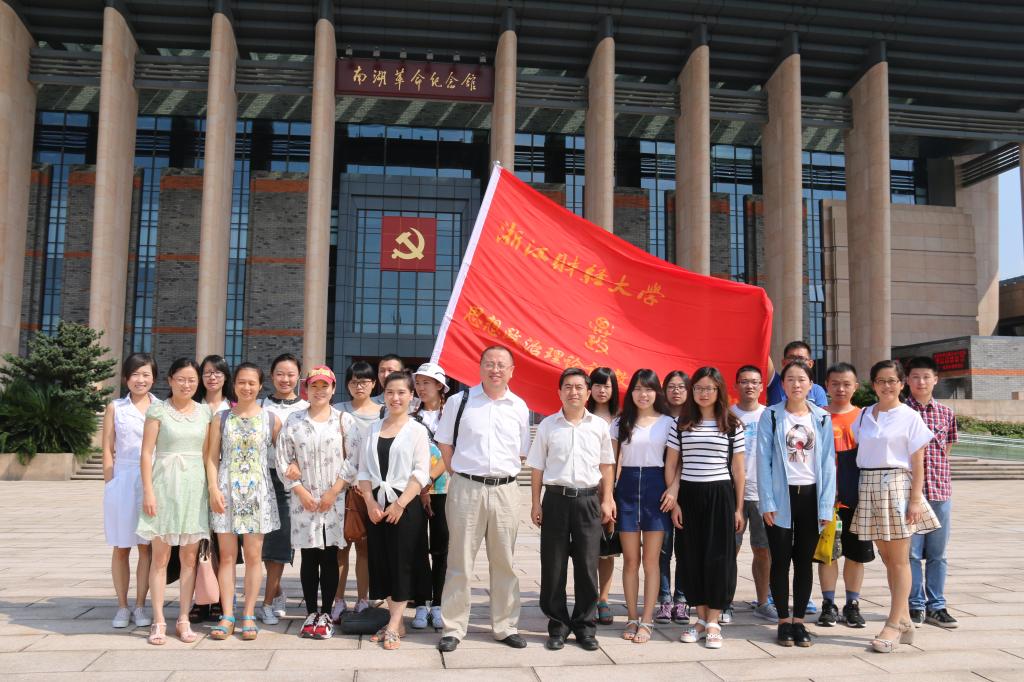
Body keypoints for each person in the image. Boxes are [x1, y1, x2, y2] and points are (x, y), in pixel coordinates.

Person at [435, 345, 531, 653]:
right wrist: (459, 474)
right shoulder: (459, 402)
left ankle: (505, 626)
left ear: (512, 371)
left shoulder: (519, 406)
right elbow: (445, 444)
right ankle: (453, 627)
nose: (495, 369)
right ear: (479, 367)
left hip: (506, 490)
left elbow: (521, 452)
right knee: (460, 560)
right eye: (489, 363)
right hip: (466, 488)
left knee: (504, 562)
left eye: (502, 365)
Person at [850, 359, 941, 653]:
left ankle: (893, 623)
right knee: (888, 558)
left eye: (892, 380)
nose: (887, 386)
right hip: (868, 485)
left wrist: (915, 499)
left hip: (897, 485)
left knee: (900, 560)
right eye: (881, 380)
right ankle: (904, 620)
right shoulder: (863, 415)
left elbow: (918, 462)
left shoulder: (910, 417)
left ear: (902, 384)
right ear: (873, 384)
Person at [529, 368, 616, 651]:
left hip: (588, 501)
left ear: (588, 392)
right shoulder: (548, 426)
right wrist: (535, 502)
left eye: (579, 387)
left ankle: (584, 626)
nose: (573, 392)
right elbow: (537, 467)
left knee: (587, 566)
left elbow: (606, 466)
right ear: (559, 392)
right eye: (568, 387)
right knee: (553, 566)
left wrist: (607, 499)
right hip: (555, 500)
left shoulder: (599, 426)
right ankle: (558, 625)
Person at [756, 361, 836, 648]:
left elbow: (828, 464)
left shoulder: (822, 418)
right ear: (783, 384)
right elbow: (762, 461)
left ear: (811, 384)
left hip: (811, 497)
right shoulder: (771, 415)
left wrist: (826, 506)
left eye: (801, 379)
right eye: (790, 379)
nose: (796, 384)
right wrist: (767, 501)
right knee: (780, 561)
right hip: (781, 497)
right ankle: (782, 621)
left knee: (804, 562)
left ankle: (799, 621)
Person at [667, 366, 745, 650]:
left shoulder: (732, 424)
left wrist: (738, 508)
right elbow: (672, 464)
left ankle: (713, 621)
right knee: (690, 557)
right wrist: (675, 501)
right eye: (698, 388)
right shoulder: (681, 423)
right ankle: (699, 619)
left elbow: (739, 470)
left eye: (709, 388)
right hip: (689, 494)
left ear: (719, 390)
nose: (703, 393)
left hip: (720, 495)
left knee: (719, 558)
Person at [205, 362, 282, 642]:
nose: (246, 387)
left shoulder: (271, 419)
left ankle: (248, 613)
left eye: (252, 383)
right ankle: (228, 614)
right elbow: (211, 457)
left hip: (258, 493)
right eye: (241, 382)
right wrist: (213, 489)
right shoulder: (221, 418)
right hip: (226, 492)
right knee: (226, 557)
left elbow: (285, 455)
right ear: (234, 384)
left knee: (253, 557)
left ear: (260, 386)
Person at [137, 358, 212, 645]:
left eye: (192, 379)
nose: (186, 384)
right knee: (160, 557)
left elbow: (207, 455)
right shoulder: (158, 410)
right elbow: (146, 453)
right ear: (169, 380)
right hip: (164, 485)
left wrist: (212, 489)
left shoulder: (204, 412)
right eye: (181, 379)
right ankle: (158, 620)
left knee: (189, 558)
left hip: (194, 487)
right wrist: (148, 491)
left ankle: (183, 618)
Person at [276, 366, 354, 641]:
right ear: (306, 389)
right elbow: (283, 458)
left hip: (334, 500)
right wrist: (299, 489)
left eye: (325, 386)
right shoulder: (294, 420)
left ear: (333, 389)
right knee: (309, 556)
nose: (319, 391)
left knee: (331, 556)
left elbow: (354, 458)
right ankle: (311, 613)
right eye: (314, 386)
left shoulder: (343, 420)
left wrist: (334, 490)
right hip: (304, 500)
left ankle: (327, 613)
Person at [357, 372, 432, 650]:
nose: (395, 398)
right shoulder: (372, 429)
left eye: (401, 392)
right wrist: (370, 502)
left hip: (405, 506)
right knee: (382, 562)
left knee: (403, 563)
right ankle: (396, 622)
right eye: (390, 392)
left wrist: (400, 504)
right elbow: (363, 470)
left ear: (411, 396)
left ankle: (394, 624)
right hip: (376, 505)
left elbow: (421, 472)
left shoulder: (417, 430)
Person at [611, 369, 677, 645]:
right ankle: (631, 616)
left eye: (648, 388)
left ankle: (647, 619)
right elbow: (611, 462)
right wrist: (609, 496)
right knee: (630, 561)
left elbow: (676, 462)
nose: (643, 394)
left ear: (656, 392)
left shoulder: (669, 423)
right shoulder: (620, 422)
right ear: (631, 392)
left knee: (651, 562)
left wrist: (673, 490)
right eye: (638, 388)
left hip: (656, 488)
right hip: (626, 488)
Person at [102, 353, 158, 629]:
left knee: (146, 547)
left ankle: (140, 605)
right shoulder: (116, 407)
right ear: (126, 378)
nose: (140, 380)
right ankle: (122, 606)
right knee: (121, 546)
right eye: (135, 374)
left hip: (152, 481)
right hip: (123, 479)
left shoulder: (160, 408)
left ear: (154, 379)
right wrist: (110, 483)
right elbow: (107, 448)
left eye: (146, 374)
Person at [816, 362, 873, 629]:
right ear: (826, 386)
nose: (841, 389)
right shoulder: (817, 416)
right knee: (826, 553)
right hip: (824, 499)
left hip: (856, 499)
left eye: (846, 384)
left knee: (856, 555)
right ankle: (828, 604)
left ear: (856, 387)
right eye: (835, 384)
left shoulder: (865, 417)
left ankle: (852, 604)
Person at [905, 356, 959, 628]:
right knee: (912, 554)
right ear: (907, 380)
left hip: (940, 492)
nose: (921, 382)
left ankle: (937, 605)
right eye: (915, 376)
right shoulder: (901, 412)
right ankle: (915, 605)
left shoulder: (946, 413)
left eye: (926, 377)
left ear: (935, 380)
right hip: (909, 495)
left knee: (938, 554)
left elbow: (947, 448)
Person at [256, 353, 308, 624]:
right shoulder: (258, 406)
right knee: (260, 544)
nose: (285, 379)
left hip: (288, 484)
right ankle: (275, 591)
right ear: (271, 375)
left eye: (290, 374)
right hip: (259, 479)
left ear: (298, 377)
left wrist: (297, 463)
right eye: (280, 374)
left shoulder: (306, 409)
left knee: (279, 543)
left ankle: (267, 602)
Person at [330, 360, 377, 618]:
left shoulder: (382, 412)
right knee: (341, 547)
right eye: (354, 381)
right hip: (341, 487)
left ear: (373, 384)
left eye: (364, 381)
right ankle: (338, 600)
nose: (359, 386)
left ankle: (362, 599)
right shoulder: (337, 411)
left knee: (365, 548)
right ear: (347, 384)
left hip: (370, 488)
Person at [730, 365, 776, 622]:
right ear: (736, 385)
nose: (749, 386)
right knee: (730, 549)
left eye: (755, 382)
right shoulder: (727, 415)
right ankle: (723, 601)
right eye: (744, 381)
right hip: (732, 493)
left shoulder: (770, 416)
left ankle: (763, 601)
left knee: (762, 550)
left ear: (761, 386)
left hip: (762, 493)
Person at [411, 362, 449, 631]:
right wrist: (421, 485)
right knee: (416, 548)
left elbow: (451, 452)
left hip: (444, 490)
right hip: (414, 491)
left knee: (441, 549)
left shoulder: (452, 416)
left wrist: (430, 480)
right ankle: (420, 603)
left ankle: (438, 603)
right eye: (418, 382)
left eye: (426, 382)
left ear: (439, 386)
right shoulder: (410, 416)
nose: (421, 387)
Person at [655, 370, 691, 626]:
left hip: (687, 490)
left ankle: (682, 598)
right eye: (671, 386)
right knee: (662, 549)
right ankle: (664, 599)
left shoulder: (694, 419)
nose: (676, 391)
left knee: (685, 548)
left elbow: (684, 460)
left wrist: (675, 489)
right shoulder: (658, 419)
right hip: (659, 491)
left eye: (681, 386)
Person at [587, 366, 620, 626]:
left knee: (607, 549)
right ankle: (587, 597)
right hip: (586, 490)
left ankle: (604, 599)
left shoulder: (621, 419)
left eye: (606, 386)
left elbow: (620, 457)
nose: (601, 390)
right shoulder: (581, 415)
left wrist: (610, 492)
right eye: (597, 385)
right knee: (587, 548)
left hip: (614, 490)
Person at [766, 341, 828, 407]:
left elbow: (820, 413)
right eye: (792, 358)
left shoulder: (817, 391)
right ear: (784, 363)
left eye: (801, 358)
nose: (796, 361)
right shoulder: (775, 383)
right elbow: (763, 353)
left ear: (810, 364)